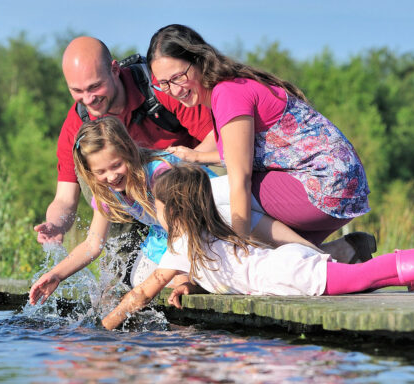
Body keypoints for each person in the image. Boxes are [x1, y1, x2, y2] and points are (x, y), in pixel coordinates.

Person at [100, 165, 414, 330]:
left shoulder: (181, 243)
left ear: (175, 208)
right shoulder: (202, 235)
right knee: (361, 281)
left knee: (360, 277)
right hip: (284, 266)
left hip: (287, 274)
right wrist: (187, 285)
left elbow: (140, 294)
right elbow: (215, 270)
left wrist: (105, 327)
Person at [146, 24, 377, 264]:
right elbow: (253, 153)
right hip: (342, 186)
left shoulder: (227, 94)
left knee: (208, 197)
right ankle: (344, 252)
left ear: (200, 60)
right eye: (163, 83)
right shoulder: (231, 87)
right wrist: (196, 157)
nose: (173, 90)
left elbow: (240, 179)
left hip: (324, 185)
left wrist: (239, 251)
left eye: (178, 77)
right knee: (276, 259)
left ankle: (323, 264)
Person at [29, 117, 323, 305]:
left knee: (244, 243)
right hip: (173, 231)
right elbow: (93, 243)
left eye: (116, 165)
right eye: (101, 172)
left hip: (212, 210)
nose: (111, 176)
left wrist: (185, 278)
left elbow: (184, 233)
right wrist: (56, 275)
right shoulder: (108, 192)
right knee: (139, 279)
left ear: (129, 152)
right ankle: (340, 252)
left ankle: (317, 256)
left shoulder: (158, 174)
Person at [33, 36, 218, 246]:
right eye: (77, 91)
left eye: (95, 87)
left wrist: (169, 173)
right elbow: (65, 199)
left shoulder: (160, 86)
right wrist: (55, 225)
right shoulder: (77, 124)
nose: (88, 99)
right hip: (130, 205)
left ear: (114, 70)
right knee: (88, 169)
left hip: (182, 190)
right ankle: (123, 258)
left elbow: (216, 139)